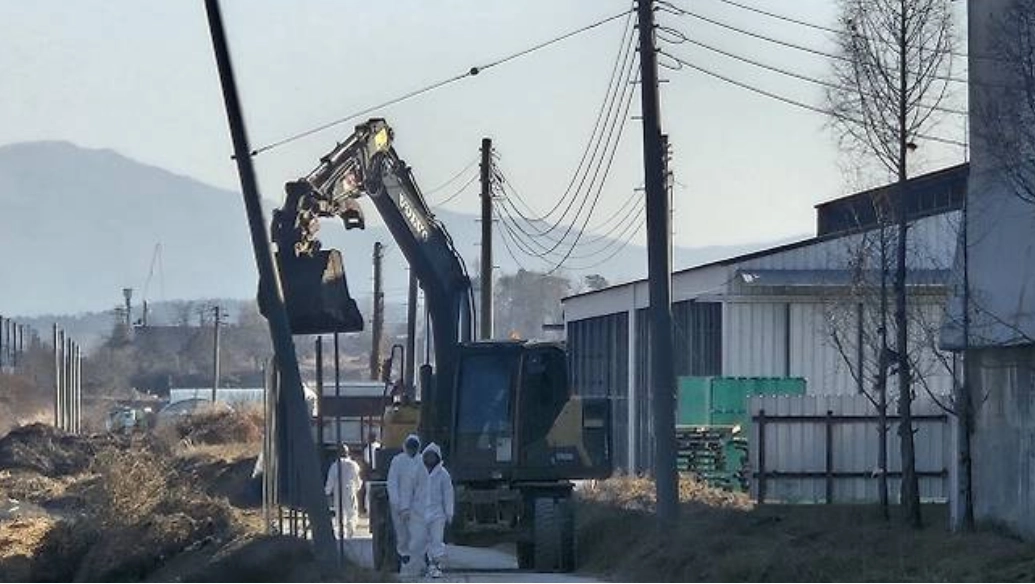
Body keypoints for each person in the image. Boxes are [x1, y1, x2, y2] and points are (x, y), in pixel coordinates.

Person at [410, 442, 454, 578]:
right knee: (419, 540)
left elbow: (448, 494)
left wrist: (449, 512)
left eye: (432, 456)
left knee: (436, 541)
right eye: (427, 456)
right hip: (419, 513)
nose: (430, 459)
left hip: (437, 514)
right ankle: (422, 565)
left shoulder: (443, 474)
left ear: (437, 457)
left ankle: (435, 566)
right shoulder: (417, 471)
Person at [386, 434, 422, 570]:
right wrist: (397, 504)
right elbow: (392, 483)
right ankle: (404, 559)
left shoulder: (422, 461)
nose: (412, 450)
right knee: (402, 534)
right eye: (410, 447)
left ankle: (419, 563)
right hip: (400, 506)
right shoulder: (398, 461)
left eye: (414, 447)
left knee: (419, 534)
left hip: (418, 506)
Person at [324, 443, 362, 538]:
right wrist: (356, 488)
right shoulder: (354, 465)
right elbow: (358, 480)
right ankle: (350, 532)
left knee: (340, 513)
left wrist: (327, 492)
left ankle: (341, 533)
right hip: (350, 491)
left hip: (339, 492)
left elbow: (330, 481)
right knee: (352, 512)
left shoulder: (335, 465)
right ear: (348, 453)